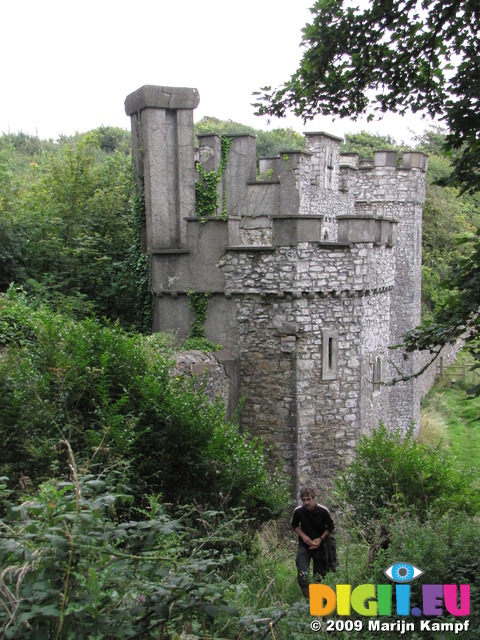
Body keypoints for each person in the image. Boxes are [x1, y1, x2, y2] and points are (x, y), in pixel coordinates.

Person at [291, 486, 335, 598]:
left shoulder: (323, 511)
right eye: (304, 500)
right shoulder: (298, 511)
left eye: (308, 499)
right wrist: (304, 536)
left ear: (313, 498)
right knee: (302, 574)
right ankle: (307, 600)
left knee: (319, 576)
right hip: (304, 546)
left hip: (320, 546)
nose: (306, 502)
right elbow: (294, 525)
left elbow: (330, 526)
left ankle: (318, 601)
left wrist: (320, 539)